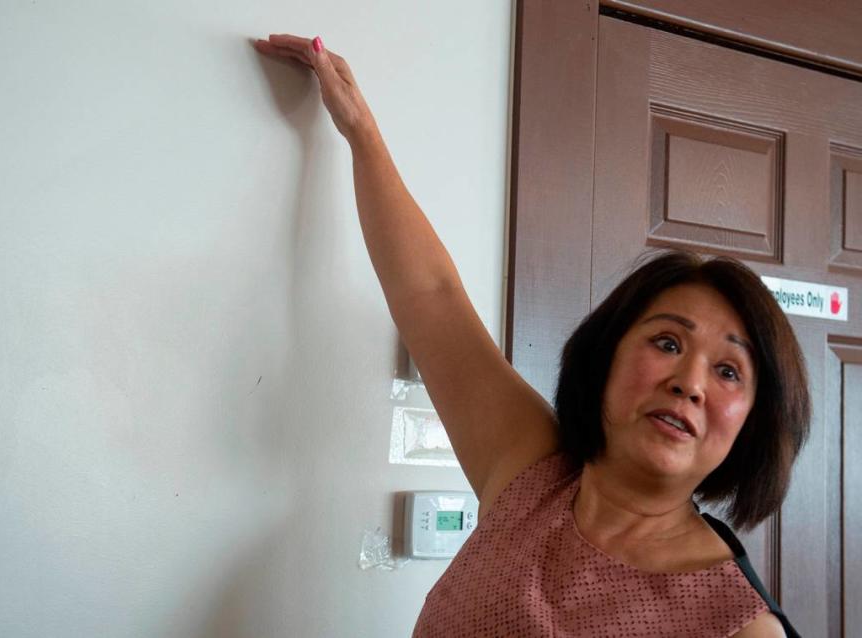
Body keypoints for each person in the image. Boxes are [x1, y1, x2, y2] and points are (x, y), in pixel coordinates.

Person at [253, 34, 809, 638]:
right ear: (607, 357)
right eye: (668, 343)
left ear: (754, 421)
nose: (688, 383)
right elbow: (433, 298)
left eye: (729, 371)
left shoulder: (738, 626)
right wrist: (360, 131)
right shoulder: (530, 472)